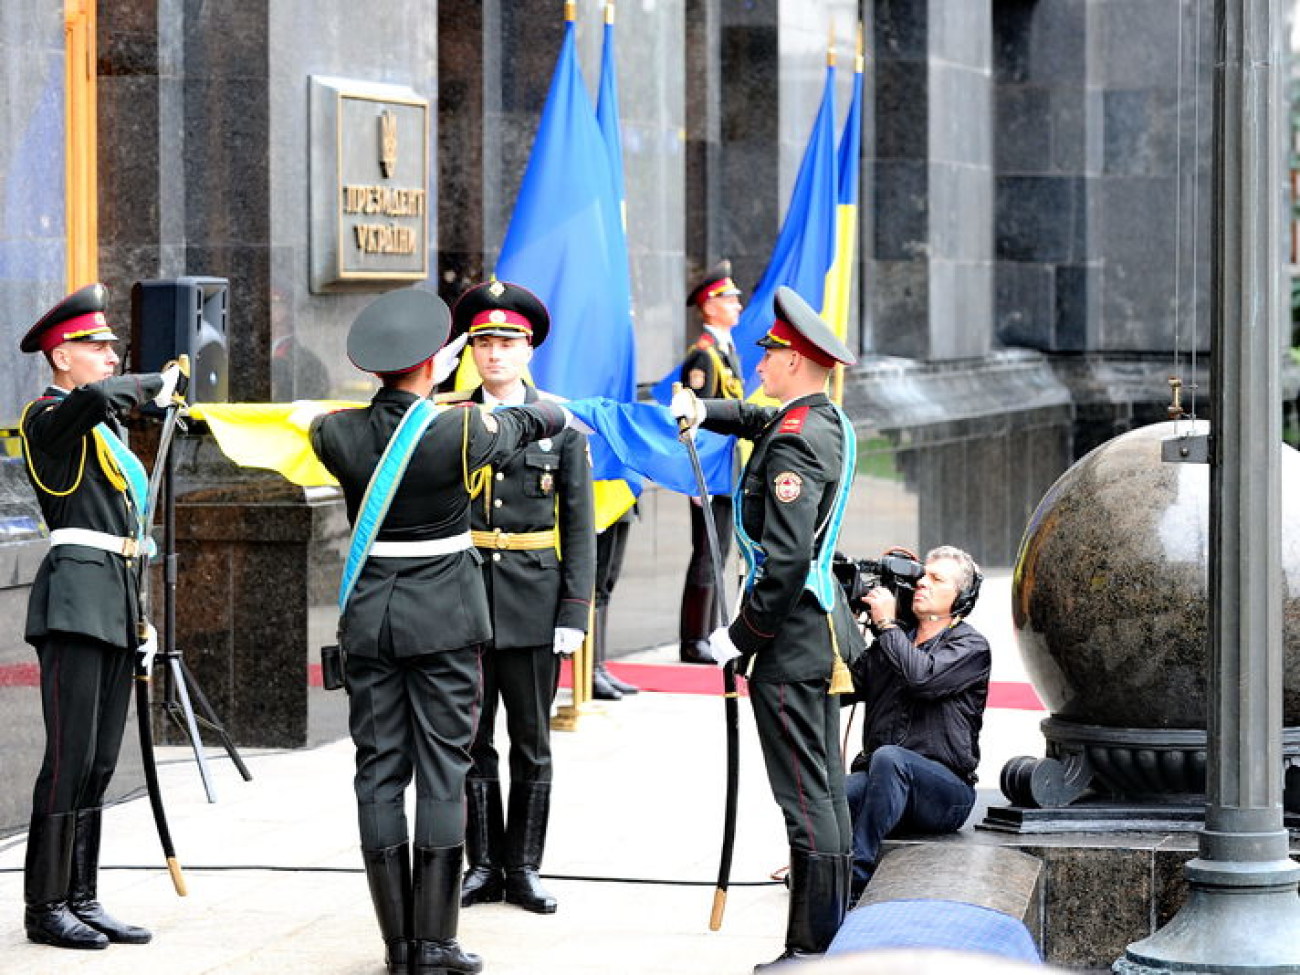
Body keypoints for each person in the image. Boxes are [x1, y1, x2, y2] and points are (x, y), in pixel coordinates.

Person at [310, 286, 578, 975]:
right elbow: (537, 418)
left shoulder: (333, 432)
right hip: (446, 623)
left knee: (377, 772)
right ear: (435, 361)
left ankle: (398, 947)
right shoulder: (461, 431)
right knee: (443, 772)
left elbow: (325, 425)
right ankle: (435, 942)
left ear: (373, 367)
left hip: (370, 620)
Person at [672, 285, 864, 971]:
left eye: (770, 354)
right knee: (824, 785)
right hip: (821, 631)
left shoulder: (791, 449)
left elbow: (781, 563)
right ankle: (833, 935)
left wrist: (741, 634)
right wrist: (707, 408)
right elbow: (761, 417)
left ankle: (810, 946)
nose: (760, 365)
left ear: (795, 360)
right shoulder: (823, 421)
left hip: (790, 640)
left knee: (803, 795)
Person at [17, 282, 184, 951]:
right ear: (62, 355)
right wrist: (156, 379)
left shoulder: (106, 430)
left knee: (100, 761)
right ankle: (45, 904)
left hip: (115, 599)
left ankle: (82, 895)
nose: (111, 355)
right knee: (68, 757)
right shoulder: (48, 421)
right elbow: (95, 398)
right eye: (98, 345)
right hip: (73, 601)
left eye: (114, 345)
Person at [444, 280, 595, 915]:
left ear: (529, 349)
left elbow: (581, 523)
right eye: (483, 343)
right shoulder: (449, 418)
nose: (494, 355)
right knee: (473, 741)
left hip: (535, 598)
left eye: (507, 343)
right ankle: (482, 866)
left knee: (532, 741)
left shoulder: (561, 426)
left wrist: (575, 611)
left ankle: (523, 867)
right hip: (465, 595)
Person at [848, 546, 990, 901]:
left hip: (946, 794)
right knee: (831, 794)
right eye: (922, 576)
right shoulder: (893, 641)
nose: (922, 583)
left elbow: (922, 679)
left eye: (936, 579)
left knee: (890, 758)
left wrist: (886, 625)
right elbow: (842, 689)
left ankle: (855, 877)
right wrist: (843, 624)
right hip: (887, 780)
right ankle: (813, 870)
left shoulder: (972, 646)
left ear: (960, 597)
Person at [676, 259, 744, 664]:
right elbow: (691, 420)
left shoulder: (725, 351)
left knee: (717, 553)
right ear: (710, 305)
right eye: (730, 299)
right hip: (708, 471)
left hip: (726, 469)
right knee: (706, 555)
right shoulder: (703, 357)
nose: (738, 305)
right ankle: (692, 640)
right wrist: (694, 478)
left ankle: (704, 635)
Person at [591, 504, 640, 699]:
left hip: (624, 498)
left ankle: (600, 666)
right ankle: (592, 669)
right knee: (597, 587)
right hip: (604, 499)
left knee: (607, 584)